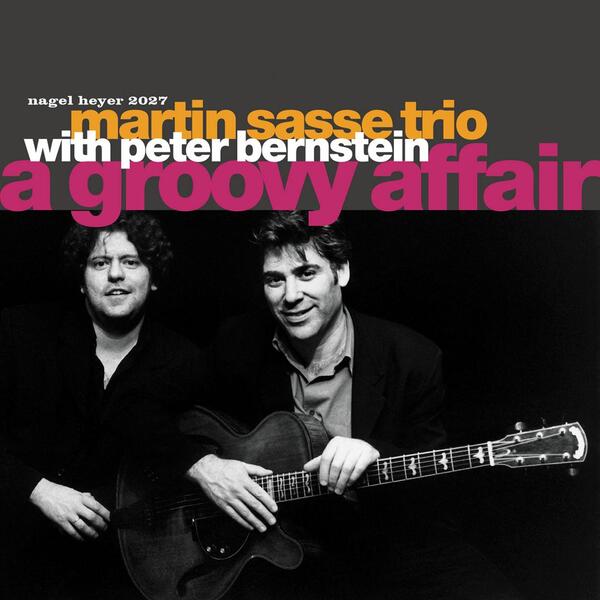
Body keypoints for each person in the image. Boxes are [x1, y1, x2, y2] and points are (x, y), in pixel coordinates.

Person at [190, 211, 521, 600]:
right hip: (279, 548)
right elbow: (168, 417)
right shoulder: (237, 345)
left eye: (306, 273)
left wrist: (374, 453)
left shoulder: (411, 358)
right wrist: (203, 465)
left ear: (341, 271)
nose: (290, 296)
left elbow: (433, 487)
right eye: (275, 280)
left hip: (387, 543)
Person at [0, 214, 207, 599]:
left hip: (122, 570)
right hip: (14, 556)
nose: (115, 274)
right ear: (82, 280)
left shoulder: (184, 361)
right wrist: (37, 489)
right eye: (100, 263)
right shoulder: (18, 333)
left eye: (131, 262)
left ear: (153, 278)